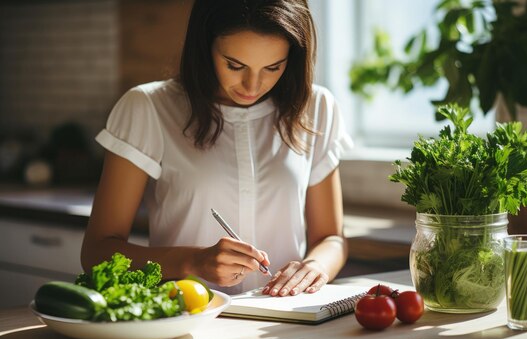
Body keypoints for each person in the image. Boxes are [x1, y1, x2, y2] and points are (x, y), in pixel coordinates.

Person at [80, 0, 353, 296]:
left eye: (273, 67)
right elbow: (96, 252)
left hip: (282, 321)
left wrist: (315, 266)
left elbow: (331, 238)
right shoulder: (149, 108)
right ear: (205, 45)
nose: (252, 85)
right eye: (235, 65)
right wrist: (193, 261)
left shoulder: (315, 107)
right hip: (189, 318)